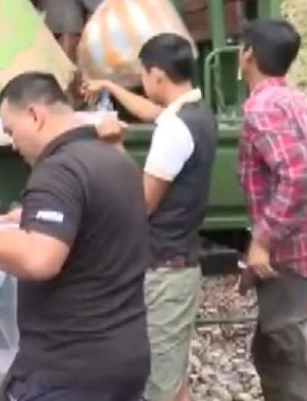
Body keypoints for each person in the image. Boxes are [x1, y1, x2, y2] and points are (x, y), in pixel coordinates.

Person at [0, 71, 151, 400]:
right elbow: (100, 230)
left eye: (12, 131)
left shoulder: (59, 169)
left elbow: (39, 258)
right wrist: (32, 220)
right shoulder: (117, 162)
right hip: (124, 359)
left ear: (35, 115)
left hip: (69, 369)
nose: (13, 144)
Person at [85, 34, 216, 401]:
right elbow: (150, 112)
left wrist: (113, 145)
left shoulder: (174, 130)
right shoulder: (196, 112)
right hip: (180, 263)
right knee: (173, 383)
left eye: (143, 74)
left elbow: (140, 203)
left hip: (164, 270)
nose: (143, 82)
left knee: (160, 387)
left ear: (157, 75)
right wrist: (109, 86)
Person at [236, 20, 307, 401]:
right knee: (271, 351)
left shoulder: (261, 109)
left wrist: (263, 240)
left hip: (287, 261)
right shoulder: (305, 104)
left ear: (248, 53)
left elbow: (299, 178)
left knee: (288, 366)